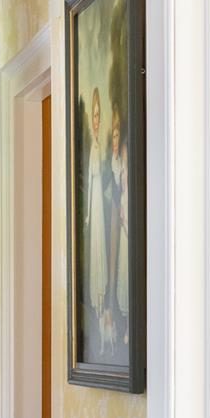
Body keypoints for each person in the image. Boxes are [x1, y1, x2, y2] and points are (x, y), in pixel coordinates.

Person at [83, 85, 109, 351]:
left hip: (102, 205)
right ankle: (98, 303)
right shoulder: (92, 147)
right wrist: (89, 213)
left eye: (99, 114)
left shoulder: (101, 146)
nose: (97, 119)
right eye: (94, 114)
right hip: (95, 206)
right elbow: (90, 184)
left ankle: (103, 301)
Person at [109, 103, 130, 345]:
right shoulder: (118, 162)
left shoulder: (126, 156)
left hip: (127, 224)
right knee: (123, 274)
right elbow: (116, 175)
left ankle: (129, 323)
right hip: (123, 220)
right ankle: (125, 321)